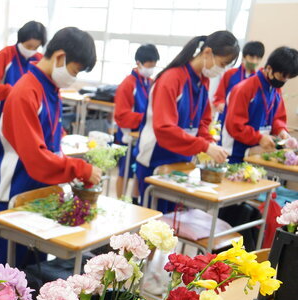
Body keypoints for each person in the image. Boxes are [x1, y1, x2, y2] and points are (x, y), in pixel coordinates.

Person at [0, 27, 101, 266]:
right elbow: (36, 158)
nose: (74, 78)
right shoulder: (25, 92)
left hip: (41, 195)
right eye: (75, 70)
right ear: (60, 57)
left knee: (35, 277)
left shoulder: (50, 88)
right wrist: (79, 169)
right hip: (15, 197)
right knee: (10, 284)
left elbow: (50, 143)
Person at [136, 31, 238, 211]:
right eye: (222, 64)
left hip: (182, 160)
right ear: (207, 53)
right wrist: (204, 146)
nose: (221, 70)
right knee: (152, 227)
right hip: (156, 158)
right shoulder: (172, 78)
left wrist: (209, 143)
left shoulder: (202, 81)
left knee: (173, 226)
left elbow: (202, 123)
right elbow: (164, 128)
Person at [0, 21, 46, 165]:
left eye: (36, 47)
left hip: (31, 124)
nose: (32, 50)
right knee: (3, 165)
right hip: (4, 122)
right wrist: (10, 91)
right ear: (20, 40)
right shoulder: (5, 56)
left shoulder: (40, 60)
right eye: (29, 46)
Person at [223, 46, 298, 164]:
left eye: (288, 78)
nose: (284, 81)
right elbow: (235, 126)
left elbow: (278, 118)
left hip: (258, 152)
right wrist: (259, 137)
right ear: (269, 68)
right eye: (282, 76)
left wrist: (281, 131)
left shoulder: (275, 90)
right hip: (234, 153)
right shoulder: (244, 89)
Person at [113, 44, 159, 200]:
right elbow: (120, 116)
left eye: (154, 65)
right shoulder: (128, 84)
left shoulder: (150, 83)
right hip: (127, 137)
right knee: (124, 173)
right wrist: (145, 117)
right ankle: (120, 200)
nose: (151, 68)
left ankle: (135, 201)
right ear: (139, 62)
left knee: (139, 171)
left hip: (143, 135)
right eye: (149, 65)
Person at [213, 41, 265, 126]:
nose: (254, 61)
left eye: (258, 58)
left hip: (247, 118)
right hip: (227, 115)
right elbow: (219, 95)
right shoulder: (230, 74)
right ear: (244, 56)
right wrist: (220, 103)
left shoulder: (259, 80)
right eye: (251, 57)